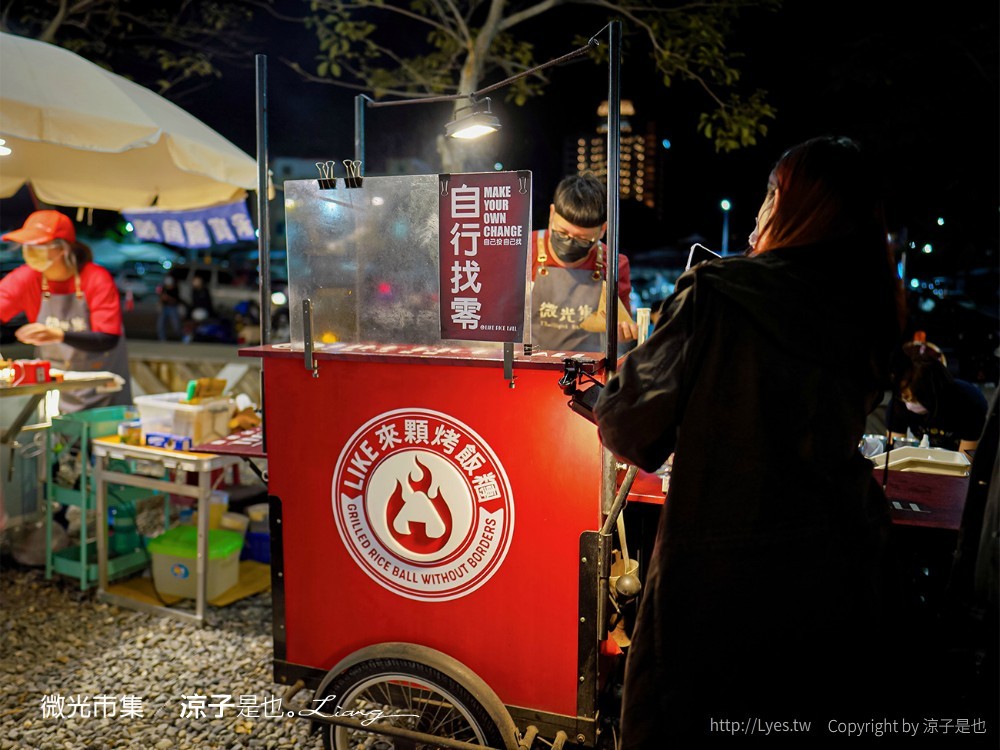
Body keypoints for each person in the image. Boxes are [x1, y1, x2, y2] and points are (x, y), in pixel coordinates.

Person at [593, 136, 911, 742]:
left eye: (771, 195)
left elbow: (631, 428)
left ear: (798, 210)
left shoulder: (720, 291)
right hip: (845, 567)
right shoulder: (872, 306)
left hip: (720, 578)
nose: (761, 211)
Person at [1, 210, 132, 412]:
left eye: (39, 246)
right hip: (52, 386)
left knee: (100, 438)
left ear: (63, 248)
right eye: (28, 247)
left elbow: (108, 338)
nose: (30, 252)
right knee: (52, 435)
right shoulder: (27, 277)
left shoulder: (96, 277)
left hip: (101, 387)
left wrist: (57, 334)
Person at [530, 173, 638, 352]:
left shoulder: (614, 265)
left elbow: (621, 329)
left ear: (602, 230)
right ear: (552, 213)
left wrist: (623, 333)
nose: (569, 244)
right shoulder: (523, 250)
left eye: (582, 239)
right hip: (528, 367)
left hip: (587, 373)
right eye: (562, 233)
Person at [886, 339, 988, 454]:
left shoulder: (969, 402)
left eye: (914, 399)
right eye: (906, 398)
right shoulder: (898, 402)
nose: (909, 404)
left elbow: (966, 461)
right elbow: (895, 453)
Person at [156, 274, 184, 341]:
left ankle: (182, 337)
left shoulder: (175, 289)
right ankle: (162, 339)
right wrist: (162, 299)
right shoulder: (163, 288)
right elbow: (160, 297)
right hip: (164, 308)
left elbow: (177, 300)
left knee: (176, 325)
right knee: (161, 324)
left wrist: (168, 298)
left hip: (173, 308)